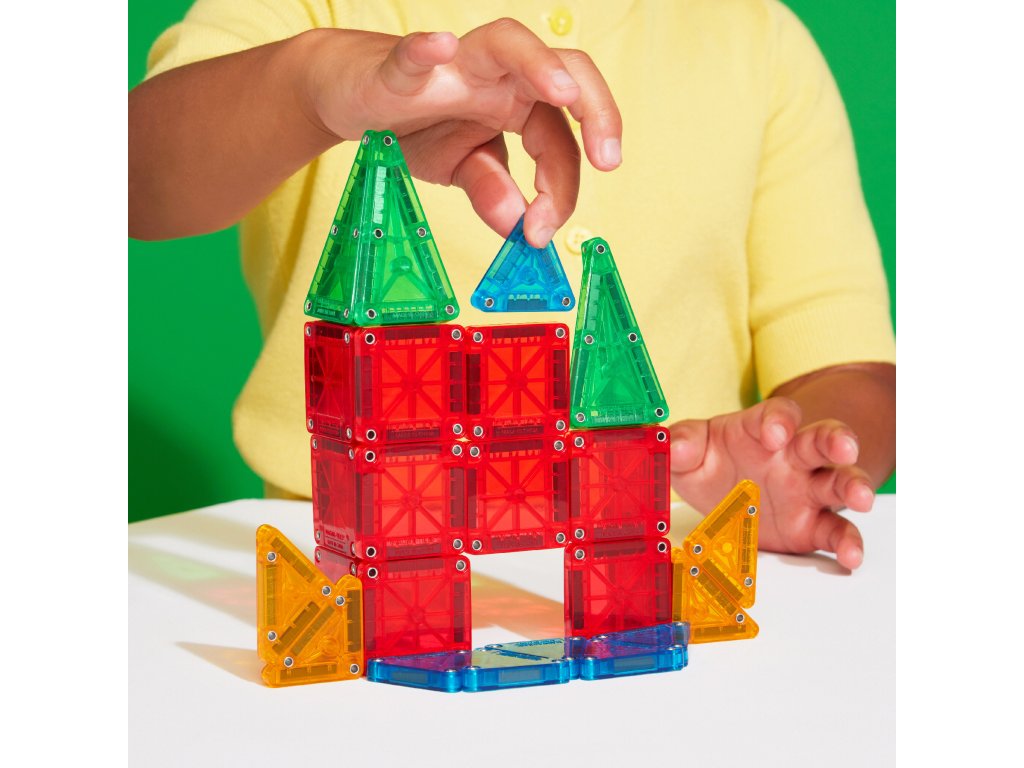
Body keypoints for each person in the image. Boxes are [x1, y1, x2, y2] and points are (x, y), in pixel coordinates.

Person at [129, 0, 896, 571]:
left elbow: (849, 360)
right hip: (359, 553)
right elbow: (137, 181)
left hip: (653, 548)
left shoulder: (756, 38)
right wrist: (309, 83)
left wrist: (795, 457)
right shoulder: (305, 10)